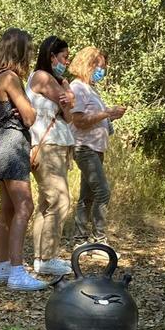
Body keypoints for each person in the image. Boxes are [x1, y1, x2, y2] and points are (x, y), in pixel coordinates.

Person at [0, 28, 46, 291]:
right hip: (12, 145)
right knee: (25, 206)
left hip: (2, 145)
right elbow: (29, 117)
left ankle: (2, 266)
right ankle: (17, 271)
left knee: (8, 209)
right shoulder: (10, 77)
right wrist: (29, 109)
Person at [26, 36, 76, 276]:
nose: (66, 62)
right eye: (64, 57)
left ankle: (41, 258)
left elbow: (69, 115)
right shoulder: (42, 77)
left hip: (56, 145)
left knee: (47, 204)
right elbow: (67, 102)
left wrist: (68, 95)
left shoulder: (54, 80)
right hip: (47, 146)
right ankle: (48, 257)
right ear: (51, 56)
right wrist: (67, 90)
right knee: (60, 200)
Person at [68, 46, 126, 245]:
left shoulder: (90, 89)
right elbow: (79, 120)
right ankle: (99, 239)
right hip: (84, 147)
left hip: (95, 147)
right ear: (89, 65)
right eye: (100, 66)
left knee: (88, 195)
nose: (103, 71)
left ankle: (79, 239)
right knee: (103, 192)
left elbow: (95, 118)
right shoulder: (77, 88)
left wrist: (110, 116)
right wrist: (107, 113)